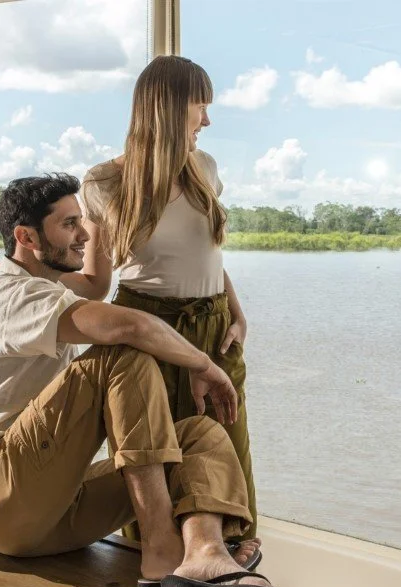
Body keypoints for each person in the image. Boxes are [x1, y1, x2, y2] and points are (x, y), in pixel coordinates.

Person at [0, 173, 289, 587]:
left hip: (52, 517)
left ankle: (206, 551)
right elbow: (130, 326)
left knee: (201, 433)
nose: (84, 235)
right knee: (121, 354)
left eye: (81, 221)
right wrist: (205, 365)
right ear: (25, 237)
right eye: (69, 224)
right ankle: (161, 547)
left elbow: (97, 286)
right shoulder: (11, 293)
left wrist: (99, 216)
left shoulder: (48, 287)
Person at [72, 55, 260, 545]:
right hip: (146, 331)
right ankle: (157, 569)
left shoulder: (205, 168)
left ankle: (229, 576)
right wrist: (23, 272)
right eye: (201, 106)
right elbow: (94, 282)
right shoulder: (102, 182)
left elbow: (208, 257)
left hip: (214, 330)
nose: (207, 120)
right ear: (170, 108)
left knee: (228, 460)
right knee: (156, 463)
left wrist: (238, 315)